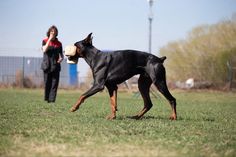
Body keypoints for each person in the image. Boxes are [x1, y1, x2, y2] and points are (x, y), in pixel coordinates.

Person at [41, 25, 63, 103]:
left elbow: (61, 55)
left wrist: (61, 59)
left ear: (56, 33)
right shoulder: (44, 40)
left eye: (54, 31)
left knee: (54, 84)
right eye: (52, 31)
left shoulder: (59, 43)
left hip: (55, 66)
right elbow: (44, 50)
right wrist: (49, 39)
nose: (53, 33)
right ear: (49, 32)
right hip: (46, 65)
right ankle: (46, 99)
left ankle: (52, 100)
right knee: (47, 83)